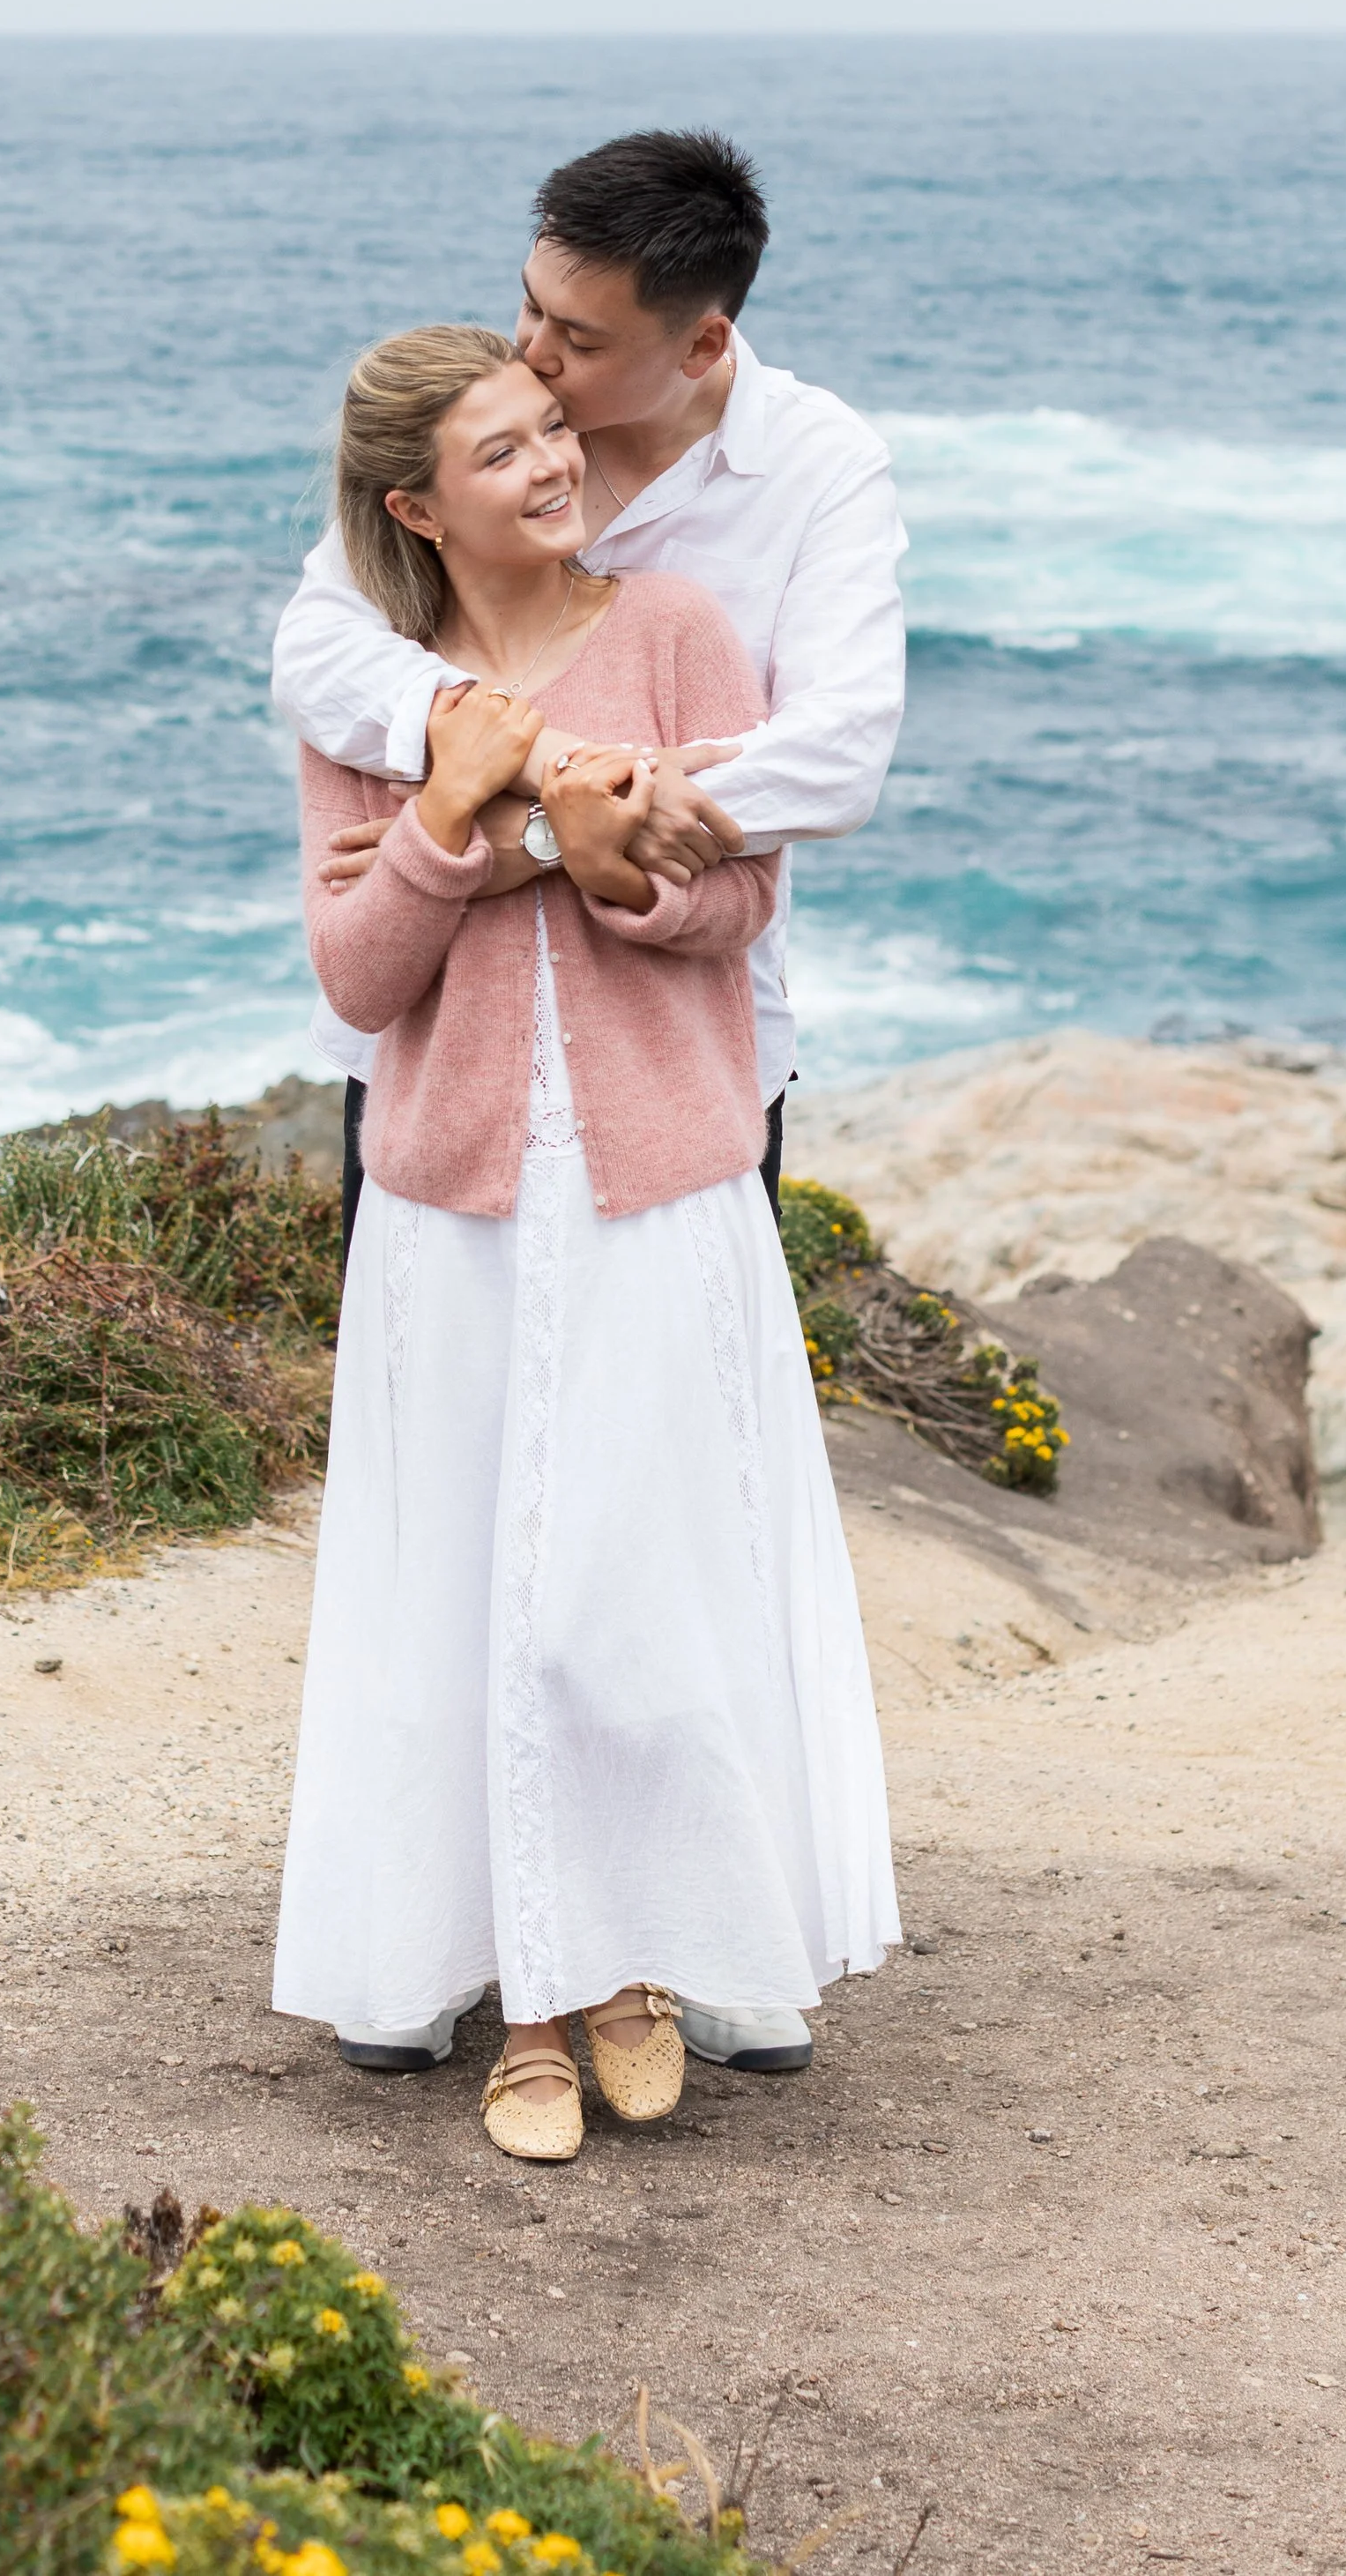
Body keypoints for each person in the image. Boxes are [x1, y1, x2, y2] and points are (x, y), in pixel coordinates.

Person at [270, 125, 907, 2081]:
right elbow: (335, 736)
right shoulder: (387, 623)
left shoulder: (795, 491)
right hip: (458, 1145)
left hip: (676, 1107)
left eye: (569, 351)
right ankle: (465, 1950)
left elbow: (815, 775)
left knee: (650, 1549)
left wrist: (550, 825)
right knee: (460, 1556)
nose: (542, 390)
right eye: (520, 348)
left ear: (691, 344)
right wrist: (481, 805)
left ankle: (694, 1936)